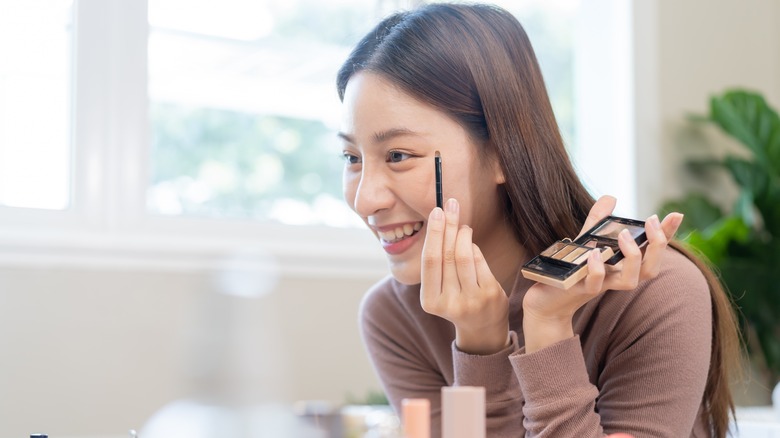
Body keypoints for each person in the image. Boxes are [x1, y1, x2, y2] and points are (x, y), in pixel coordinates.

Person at [335, 3, 741, 437]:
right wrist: (479, 344)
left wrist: (548, 328)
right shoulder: (395, 315)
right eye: (351, 158)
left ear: (502, 153)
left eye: (398, 156)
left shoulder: (653, 292)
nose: (365, 200)